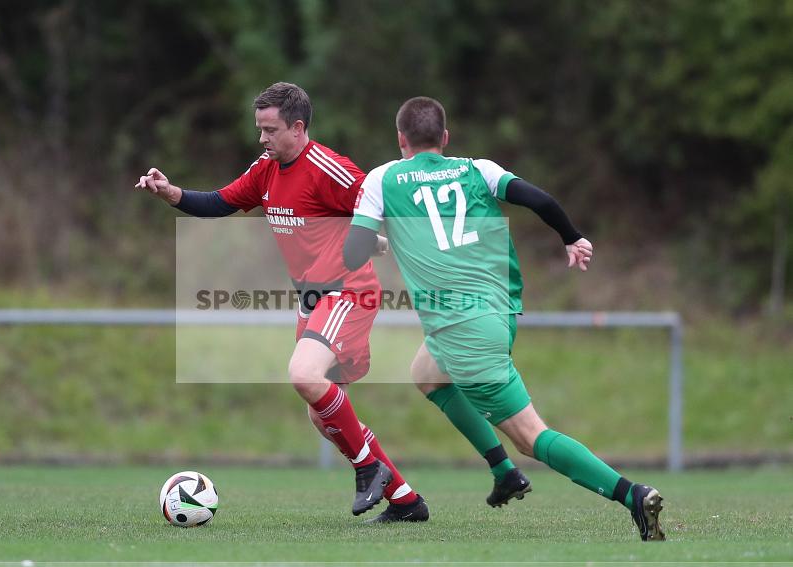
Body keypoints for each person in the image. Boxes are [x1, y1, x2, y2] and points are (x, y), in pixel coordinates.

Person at [342, 96, 665, 541]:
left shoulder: (383, 178)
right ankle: (503, 472)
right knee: (427, 373)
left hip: (462, 328)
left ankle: (632, 495)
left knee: (532, 437)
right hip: (501, 309)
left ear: (401, 139)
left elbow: (354, 251)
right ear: (446, 138)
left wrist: (379, 241)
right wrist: (572, 237)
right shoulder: (478, 169)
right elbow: (540, 199)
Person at [135, 82, 427, 522]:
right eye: (259, 129)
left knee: (303, 375)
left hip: (347, 292)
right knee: (321, 416)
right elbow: (220, 202)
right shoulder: (267, 168)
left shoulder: (329, 168)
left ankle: (369, 470)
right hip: (312, 300)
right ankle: (406, 501)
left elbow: (382, 202)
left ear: (297, 126)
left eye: (270, 129)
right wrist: (171, 193)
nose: (262, 139)